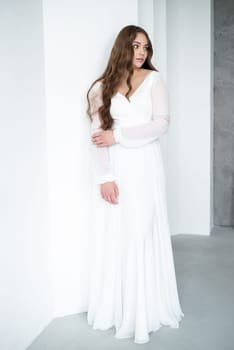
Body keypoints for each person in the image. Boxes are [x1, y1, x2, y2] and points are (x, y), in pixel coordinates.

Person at [86, 24, 184, 344]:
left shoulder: (154, 80)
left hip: (145, 166)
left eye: (145, 47)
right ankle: (120, 308)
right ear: (122, 48)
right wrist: (105, 177)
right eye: (135, 46)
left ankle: (146, 311)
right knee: (118, 233)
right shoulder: (101, 87)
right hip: (116, 167)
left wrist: (121, 136)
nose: (141, 53)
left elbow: (161, 123)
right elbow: (97, 136)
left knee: (142, 229)